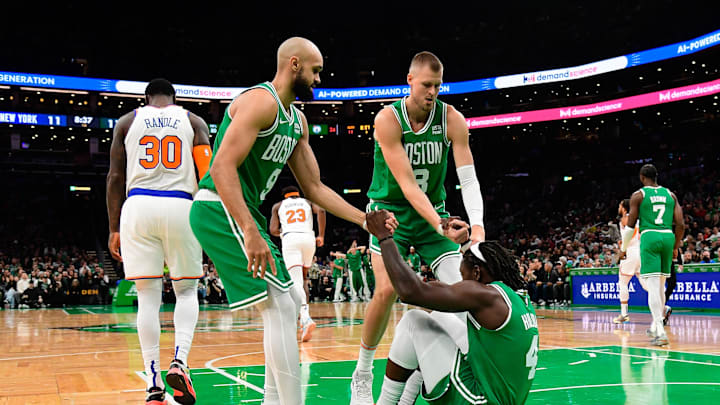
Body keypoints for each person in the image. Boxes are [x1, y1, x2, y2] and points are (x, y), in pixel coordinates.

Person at [187, 37, 395, 405]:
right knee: (283, 305)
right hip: (218, 207)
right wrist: (251, 231)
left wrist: (366, 220)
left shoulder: (296, 120)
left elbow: (313, 187)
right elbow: (220, 167)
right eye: (316, 71)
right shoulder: (259, 101)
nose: (319, 79)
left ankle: (273, 400)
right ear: (294, 64)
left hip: (240, 212)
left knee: (287, 301)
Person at [352, 51, 487, 404]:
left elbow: (468, 178)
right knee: (385, 291)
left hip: (432, 215)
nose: (432, 92)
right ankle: (362, 373)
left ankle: (437, 373)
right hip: (389, 214)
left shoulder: (452, 119)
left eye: (438, 86)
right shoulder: (387, 119)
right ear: (409, 80)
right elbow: (408, 184)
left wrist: (478, 226)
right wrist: (441, 224)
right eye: (427, 85)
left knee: (463, 290)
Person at [106, 78, 212, 405]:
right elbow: (208, 173)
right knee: (186, 290)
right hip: (182, 205)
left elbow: (114, 177)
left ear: (146, 98)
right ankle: (180, 360)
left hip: (137, 207)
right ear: (175, 98)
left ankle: (153, 386)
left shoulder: (127, 121)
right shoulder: (193, 121)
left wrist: (113, 228)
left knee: (148, 297)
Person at [365, 209, 538, 405]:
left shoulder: (485, 295)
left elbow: (409, 292)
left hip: (478, 401)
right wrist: (464, 244)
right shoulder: (515, 297)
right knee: (440, 318)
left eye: (462, 273)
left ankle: (386, 402)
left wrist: (384, 237)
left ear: (476, 273)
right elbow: (452, 285)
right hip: (500, 398)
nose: (460, 279)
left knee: (413, 322)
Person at [623, 164, 685, 346]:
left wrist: (623, 249)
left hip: (649, 236)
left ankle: (660, 330)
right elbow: (680, 224)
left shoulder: (639, 195)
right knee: (660, 286)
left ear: (642, 177)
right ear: (656, 177)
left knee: (652, 285)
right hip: (667, 236)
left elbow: (630, 226)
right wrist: (676, 246)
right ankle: (655, 325)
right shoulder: (670, 194)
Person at [269, 185, 326, 342]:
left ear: (284, 196)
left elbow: (273, 229)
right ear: (298, 194)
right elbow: (321, 211)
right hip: (309, 239)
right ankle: (303, 318)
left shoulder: (278, 206)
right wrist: (321, 235)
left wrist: (285, 231)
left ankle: (305, 318)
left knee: (296, 282)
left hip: (291, 239)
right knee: (304, 279)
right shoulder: (307, 202)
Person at [613, 199, 647, 324]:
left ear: (624, 208)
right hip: (640, 251)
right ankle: (663, 307)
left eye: (620, 205)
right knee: (645, 283)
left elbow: (630, 234)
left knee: (622, 282)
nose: (619, 207)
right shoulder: (637, 218)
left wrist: (623, 245)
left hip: (630, 252)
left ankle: (624, 314)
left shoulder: (626, 218)